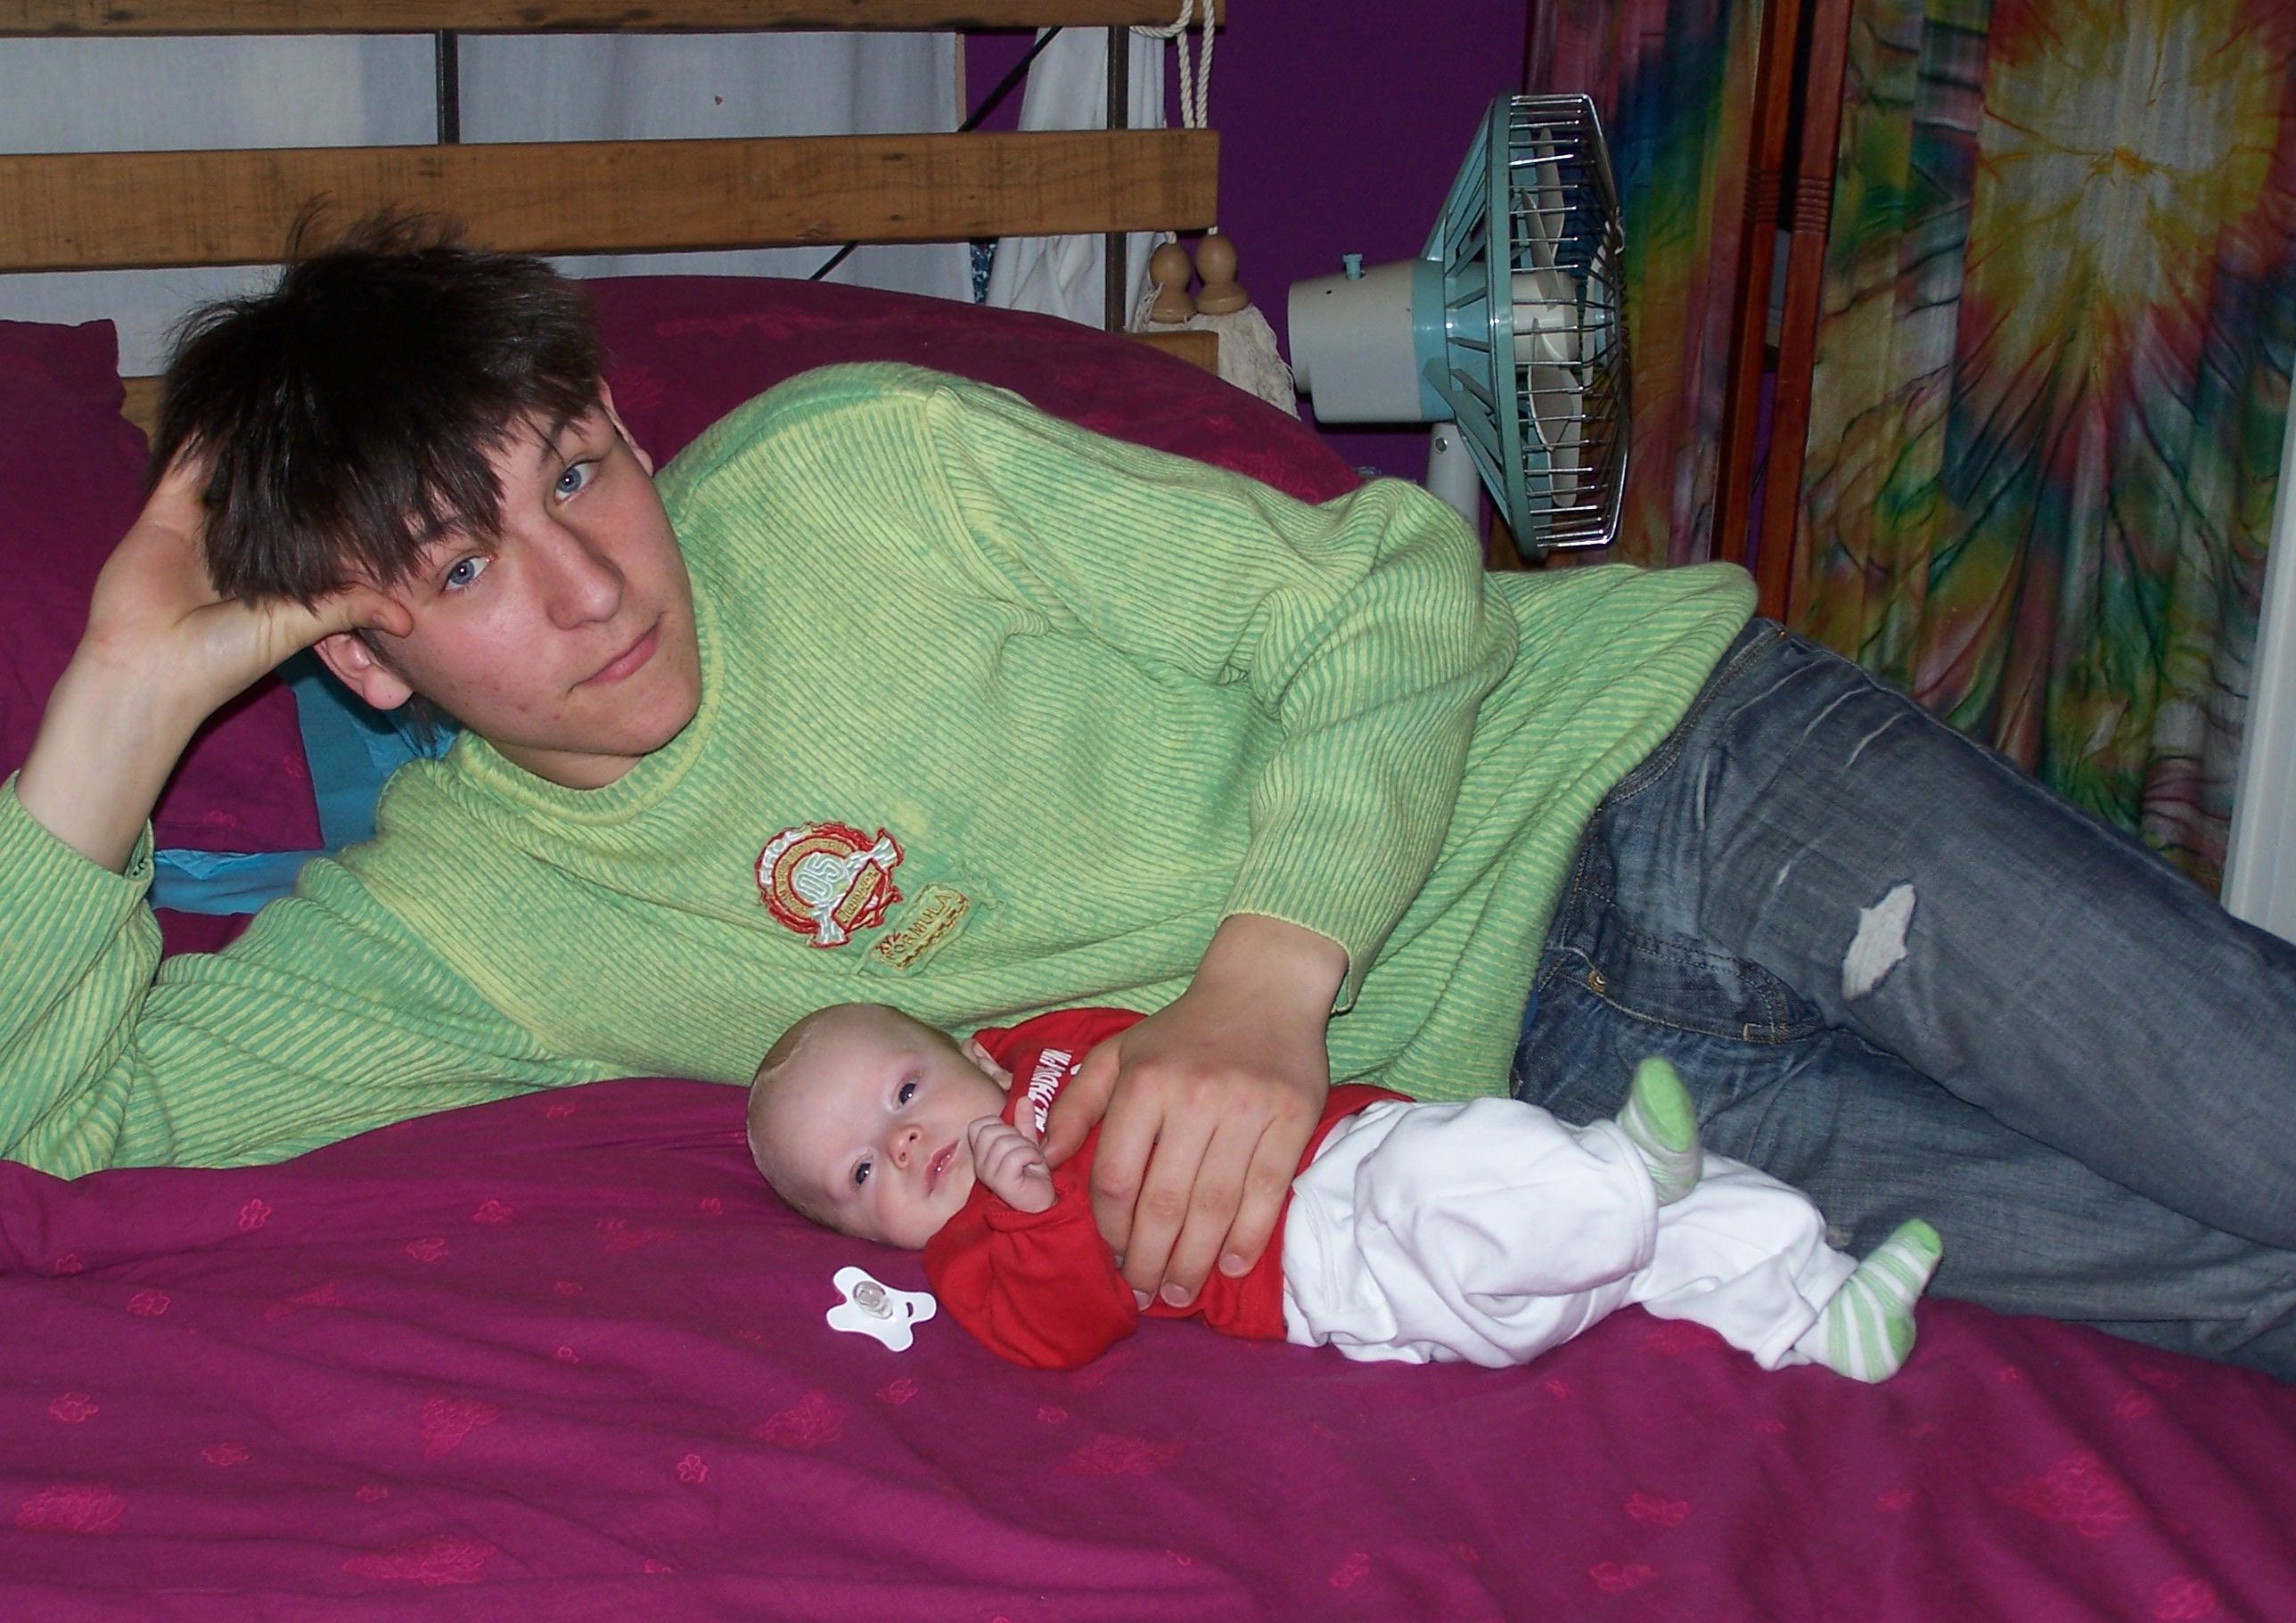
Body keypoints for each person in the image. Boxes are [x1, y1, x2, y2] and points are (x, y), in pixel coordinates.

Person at [4, 222, 2294, 1378]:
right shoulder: (475, 925)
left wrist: (1265, 982)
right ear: (358, 656)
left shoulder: (868, 473)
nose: (594, 580)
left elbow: (1388, 589)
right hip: (1590, 1102)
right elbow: (66, 1130)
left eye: (579, 471)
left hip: (1667, 777)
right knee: (2249, 1288)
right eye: (460, 570)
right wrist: (120, 688)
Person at [746, 1000, 1946, 1379]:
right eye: (863, 1172)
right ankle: (1621, 1177)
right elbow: (1068, 1330)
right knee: (1467, 1200)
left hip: (1346, 1134)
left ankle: (1814, 1302)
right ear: (863, 1232)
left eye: (904, 1093)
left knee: (1659, 1222)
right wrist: (1029, 1208)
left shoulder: (1054, 1048)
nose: (907, 1144)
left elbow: (1183, 1050)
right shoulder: (971, 1258)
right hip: (1316, 1266)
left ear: (975, 1049)